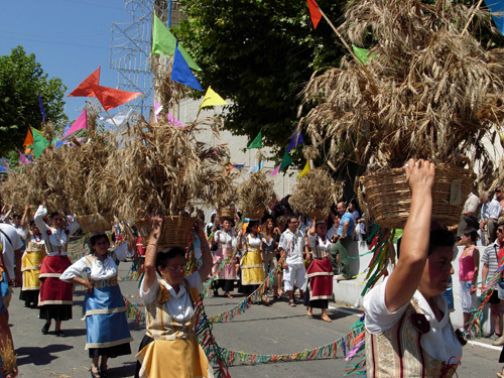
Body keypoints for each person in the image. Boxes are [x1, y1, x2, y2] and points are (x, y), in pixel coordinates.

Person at [363, 159, 462, 376]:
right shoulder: (385, 303)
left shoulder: (440, 307)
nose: (451, 270)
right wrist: (421, 187)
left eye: (450, 262)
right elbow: (412, 259)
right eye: (442, 262)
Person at [135, 217, 213, 378]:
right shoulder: (154, 289)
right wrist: (156, 230)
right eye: (174, 267)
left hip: (188, 353)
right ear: (161, 269)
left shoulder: (189, 285)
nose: (180, 271)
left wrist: (201, 235)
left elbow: (207, 266)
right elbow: (149, 266)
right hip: (163, 356)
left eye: (182, 266)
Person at [60, 233, 132, 378]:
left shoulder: (113, 256)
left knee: (111, 332)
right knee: (98, 333)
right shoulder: (87, 260)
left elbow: (129, 245)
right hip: (96, 300)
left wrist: (132, 227)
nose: (103, 246)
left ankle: (104, 364)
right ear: (93, 246)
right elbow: (66, 275)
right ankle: (94, 365)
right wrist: (84, 282)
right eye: (99, 243)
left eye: (105, 242)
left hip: (114, 298)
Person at [34, 205, 73, 336]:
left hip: (63, 265)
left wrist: (70, 207)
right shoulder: (46, 231)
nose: (58, 221)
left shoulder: (66, 231)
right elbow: (37, 218)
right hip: (50, 265)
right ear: (51, 220)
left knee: (63, 296)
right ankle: (48, 321)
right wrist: (46, 204)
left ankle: (58, 328)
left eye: (60, 219)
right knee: (49, 295)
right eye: (56, 219)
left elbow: (77, 222)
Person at [305, 219, 333, 322]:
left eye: (324, 227)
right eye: (320, 227)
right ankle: (310, 308)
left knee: (325, 290)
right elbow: (311, 232)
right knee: (314, 288)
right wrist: (314, 220)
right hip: (317, 265)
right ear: (316, 228)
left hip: (327, 266)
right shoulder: (314, 238)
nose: (323, 229)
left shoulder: (328, 239)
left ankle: (323, 312)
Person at [482, 220, 504, 343]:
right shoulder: (490, 248)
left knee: (502, 310)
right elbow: (485, 266)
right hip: (493, 282)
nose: (498, 232)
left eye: (500, 231)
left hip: (502, 282)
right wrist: (485, 283)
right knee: (495, 309)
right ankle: (498, 332)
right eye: (497, 230)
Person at [278, 217, 307, 307]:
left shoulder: (301, 233)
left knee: (301, 281)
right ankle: (291, 299)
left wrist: (306, 253)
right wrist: (283, 262)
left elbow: (304, 245)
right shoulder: (284, 234)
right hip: (290, 261)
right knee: (289, 281)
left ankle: (292, 293)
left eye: (297, 222)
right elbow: (281, 249)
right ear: (289, 223)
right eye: (294, 222)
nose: (296, 224)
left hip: (300, 260)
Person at [457, 225, 479, 337]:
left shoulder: (474, 250)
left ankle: (466, 329)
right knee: (464, 305)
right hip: (462, 280)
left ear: (469, 237)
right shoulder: (464, 249)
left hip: (469, 281)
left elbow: (476, 268)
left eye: (464, 235)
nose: (462, 237)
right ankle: (467, 329)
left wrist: (473, 284)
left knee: (468, 307)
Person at [237, 220, 267, 302]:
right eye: (254, 226)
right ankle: (249, 296)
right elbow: (239, 246)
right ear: (250, 227)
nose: (256, 228)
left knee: (258, 277)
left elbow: (265, 244)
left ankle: (258, 295)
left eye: (256, 226)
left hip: (258, 258)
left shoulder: (260, 236)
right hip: (249, 257)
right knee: (250, 277)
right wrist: (239, 237)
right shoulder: (246, 236)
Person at [19, 220, 46, 308]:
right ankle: (28, 300)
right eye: (34, 227)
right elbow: (23, 225)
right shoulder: (29, 236)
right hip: (29, 263)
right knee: (29, 282)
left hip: (40, 262)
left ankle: (36, 300)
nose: (36, 229)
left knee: (38, 282)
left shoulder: (43, 237)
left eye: (38, 227)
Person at [211, 217, 237, 298]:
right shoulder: (218, 232)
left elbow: (234, 244)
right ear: (222, 224)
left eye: (229, 223)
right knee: (218, 272)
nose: (228, 224)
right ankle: (215, 288)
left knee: (228, 272)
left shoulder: (232, 234)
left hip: (229, 254)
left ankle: (227, 291)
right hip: (220, 253)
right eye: (226, 223)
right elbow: (214, 242)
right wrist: (213, 233)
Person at [0, 223, 23, 292]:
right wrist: (18, 275)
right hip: (7, 277)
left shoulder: (11, 229)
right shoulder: (11, 229)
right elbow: (18, 255)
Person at [261, 217, 278, 300]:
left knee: (274, 271)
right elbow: (261, 246)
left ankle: (274, 290)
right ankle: (264, 292)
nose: (271, 225)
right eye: (269, 224)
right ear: (266, 225)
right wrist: (261, 255)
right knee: (264, 273)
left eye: (272, 224)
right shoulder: (262, 234)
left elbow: (278, 244)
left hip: (272, 254)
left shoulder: (274, 234)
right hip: (264, 255)